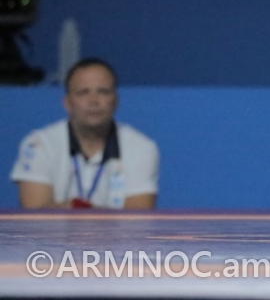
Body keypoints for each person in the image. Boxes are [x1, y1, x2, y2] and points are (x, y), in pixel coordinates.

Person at [10, 58, 159, 209]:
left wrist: (82, 212)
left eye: (103, 92)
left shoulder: (141, 147)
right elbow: (34, 215)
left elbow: (138, 216)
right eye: (83, 92)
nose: (94, 101)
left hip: (106, 229)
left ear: (116, 100)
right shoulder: (38, 144)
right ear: (67, 102)